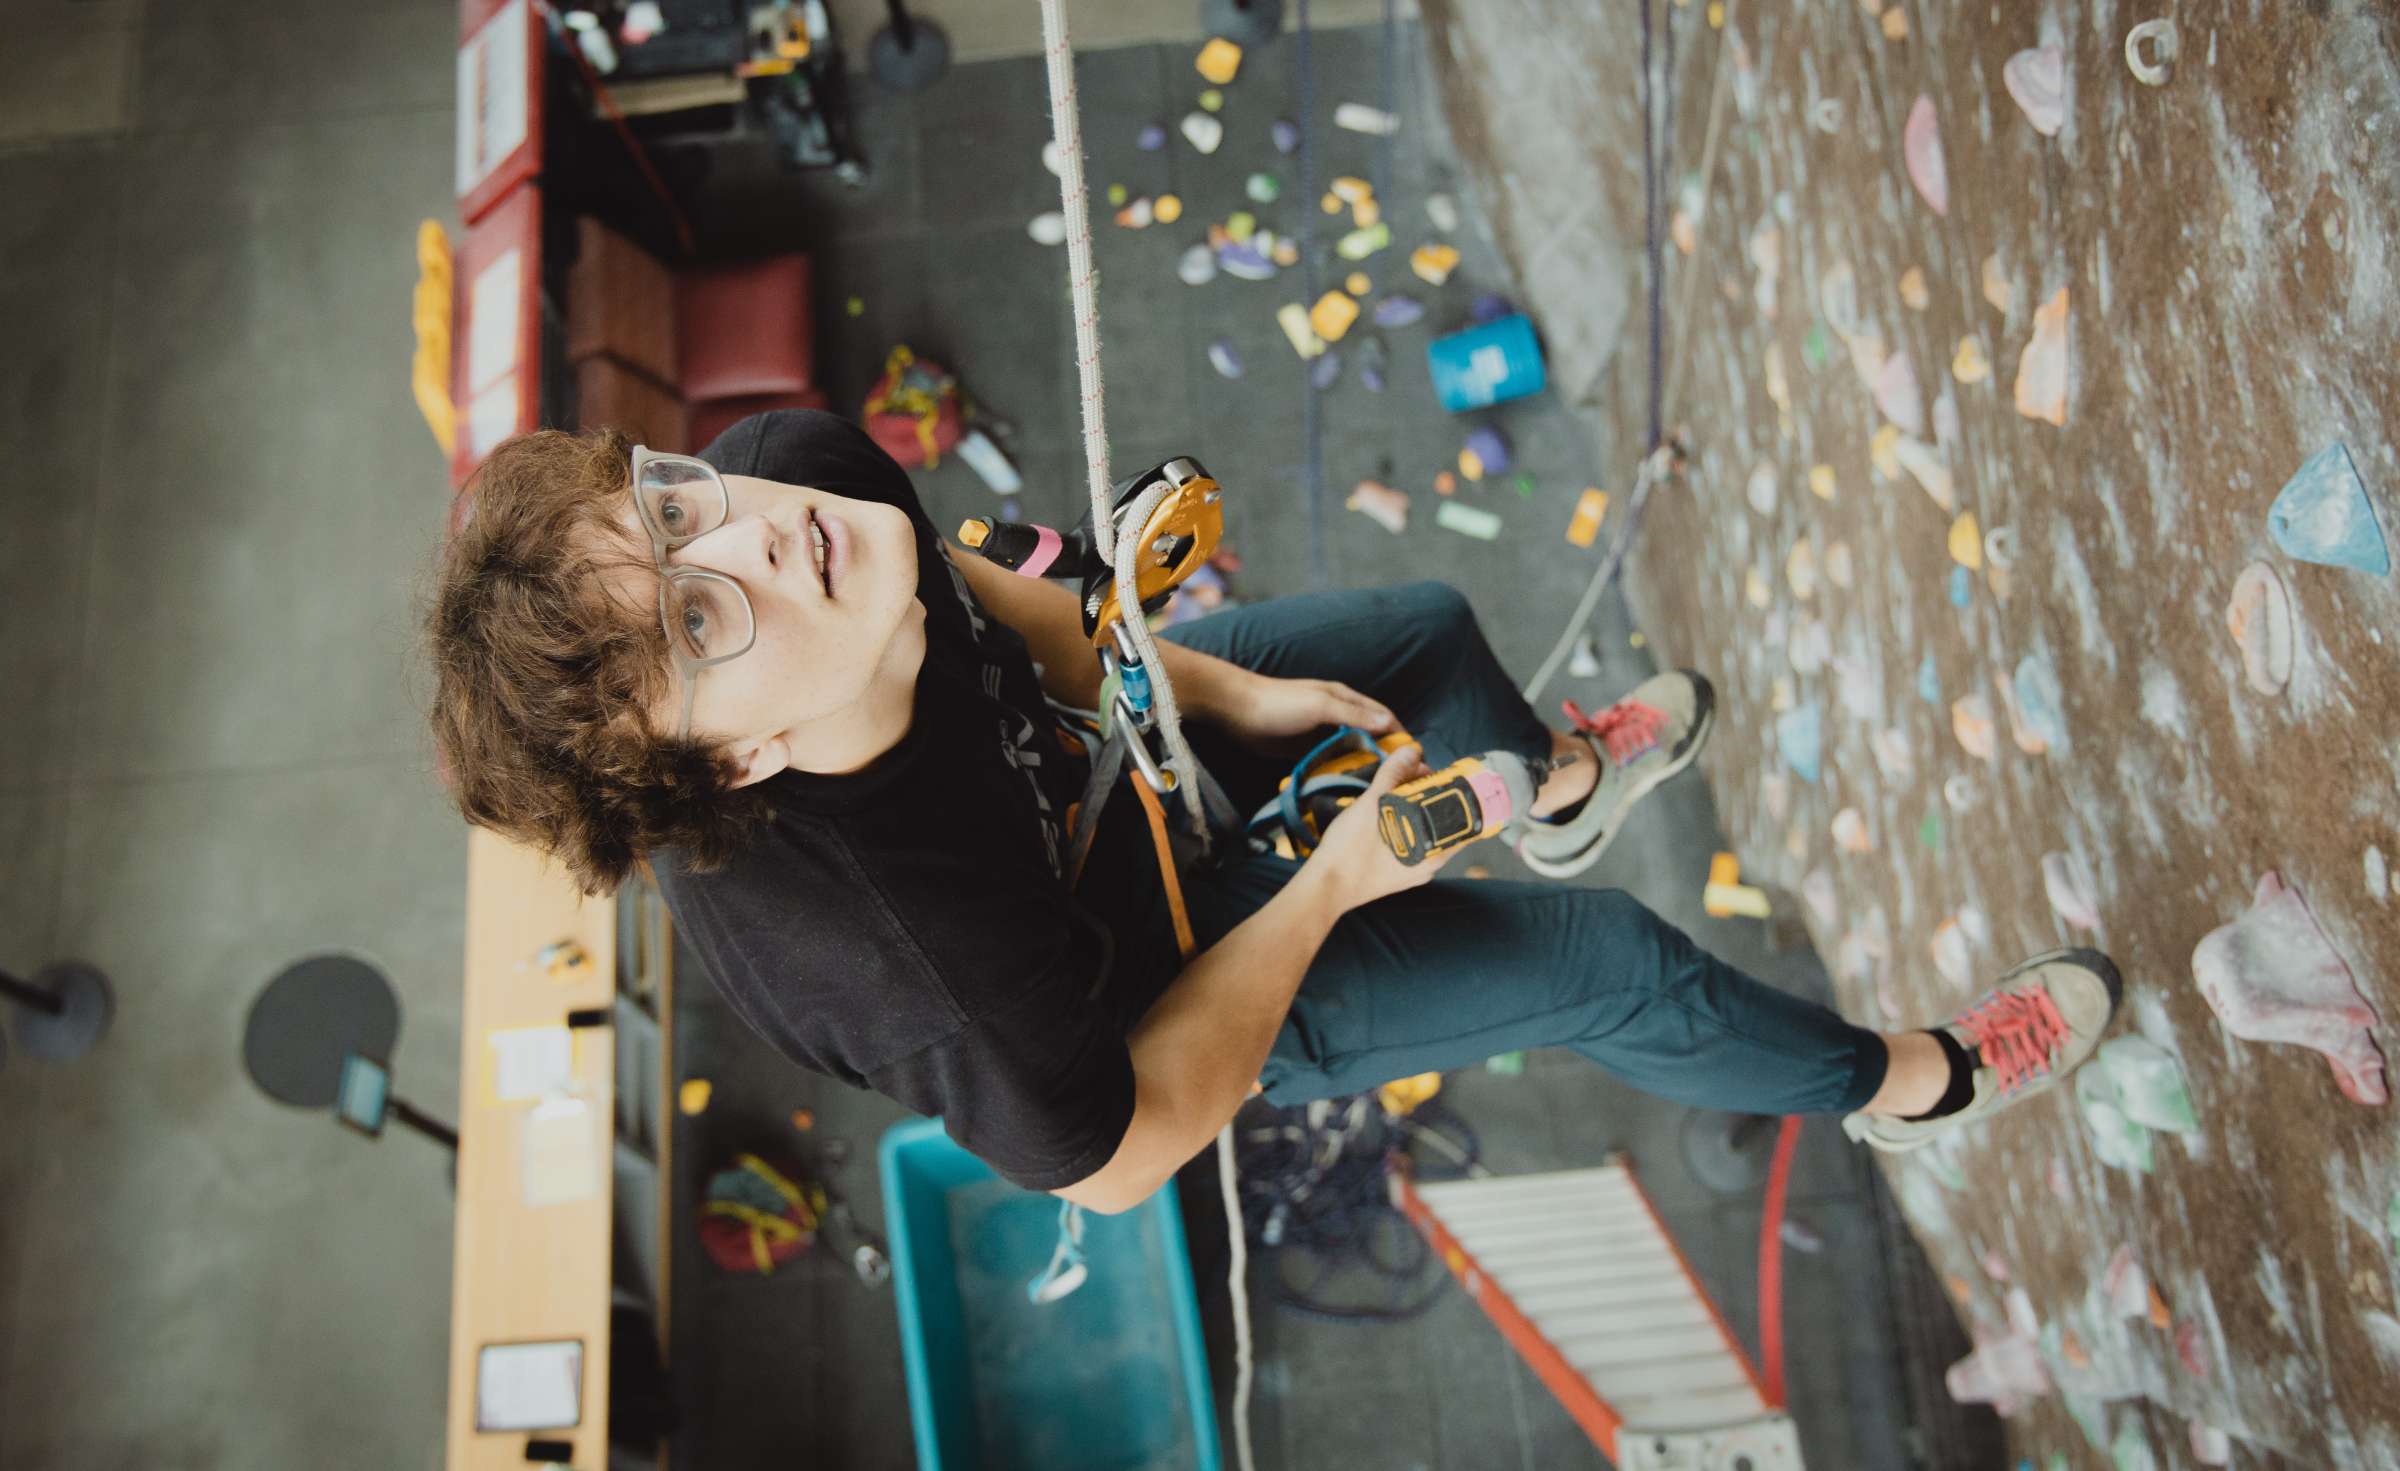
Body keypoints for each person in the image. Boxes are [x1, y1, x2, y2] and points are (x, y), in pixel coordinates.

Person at [425, 410, 2121, 1214]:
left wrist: (1227, 696)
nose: (751, 544)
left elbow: (979, 597)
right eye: (699, 624)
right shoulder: (906, 958)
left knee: (1422, 636)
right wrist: (1328, 882)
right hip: (1145, 994)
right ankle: (1918, 1082)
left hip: (1111, 775)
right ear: (730, 765)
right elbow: (1129, 1153)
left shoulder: (798, 484)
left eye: (676, 515)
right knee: (1615, 966)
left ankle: (1561, 793)